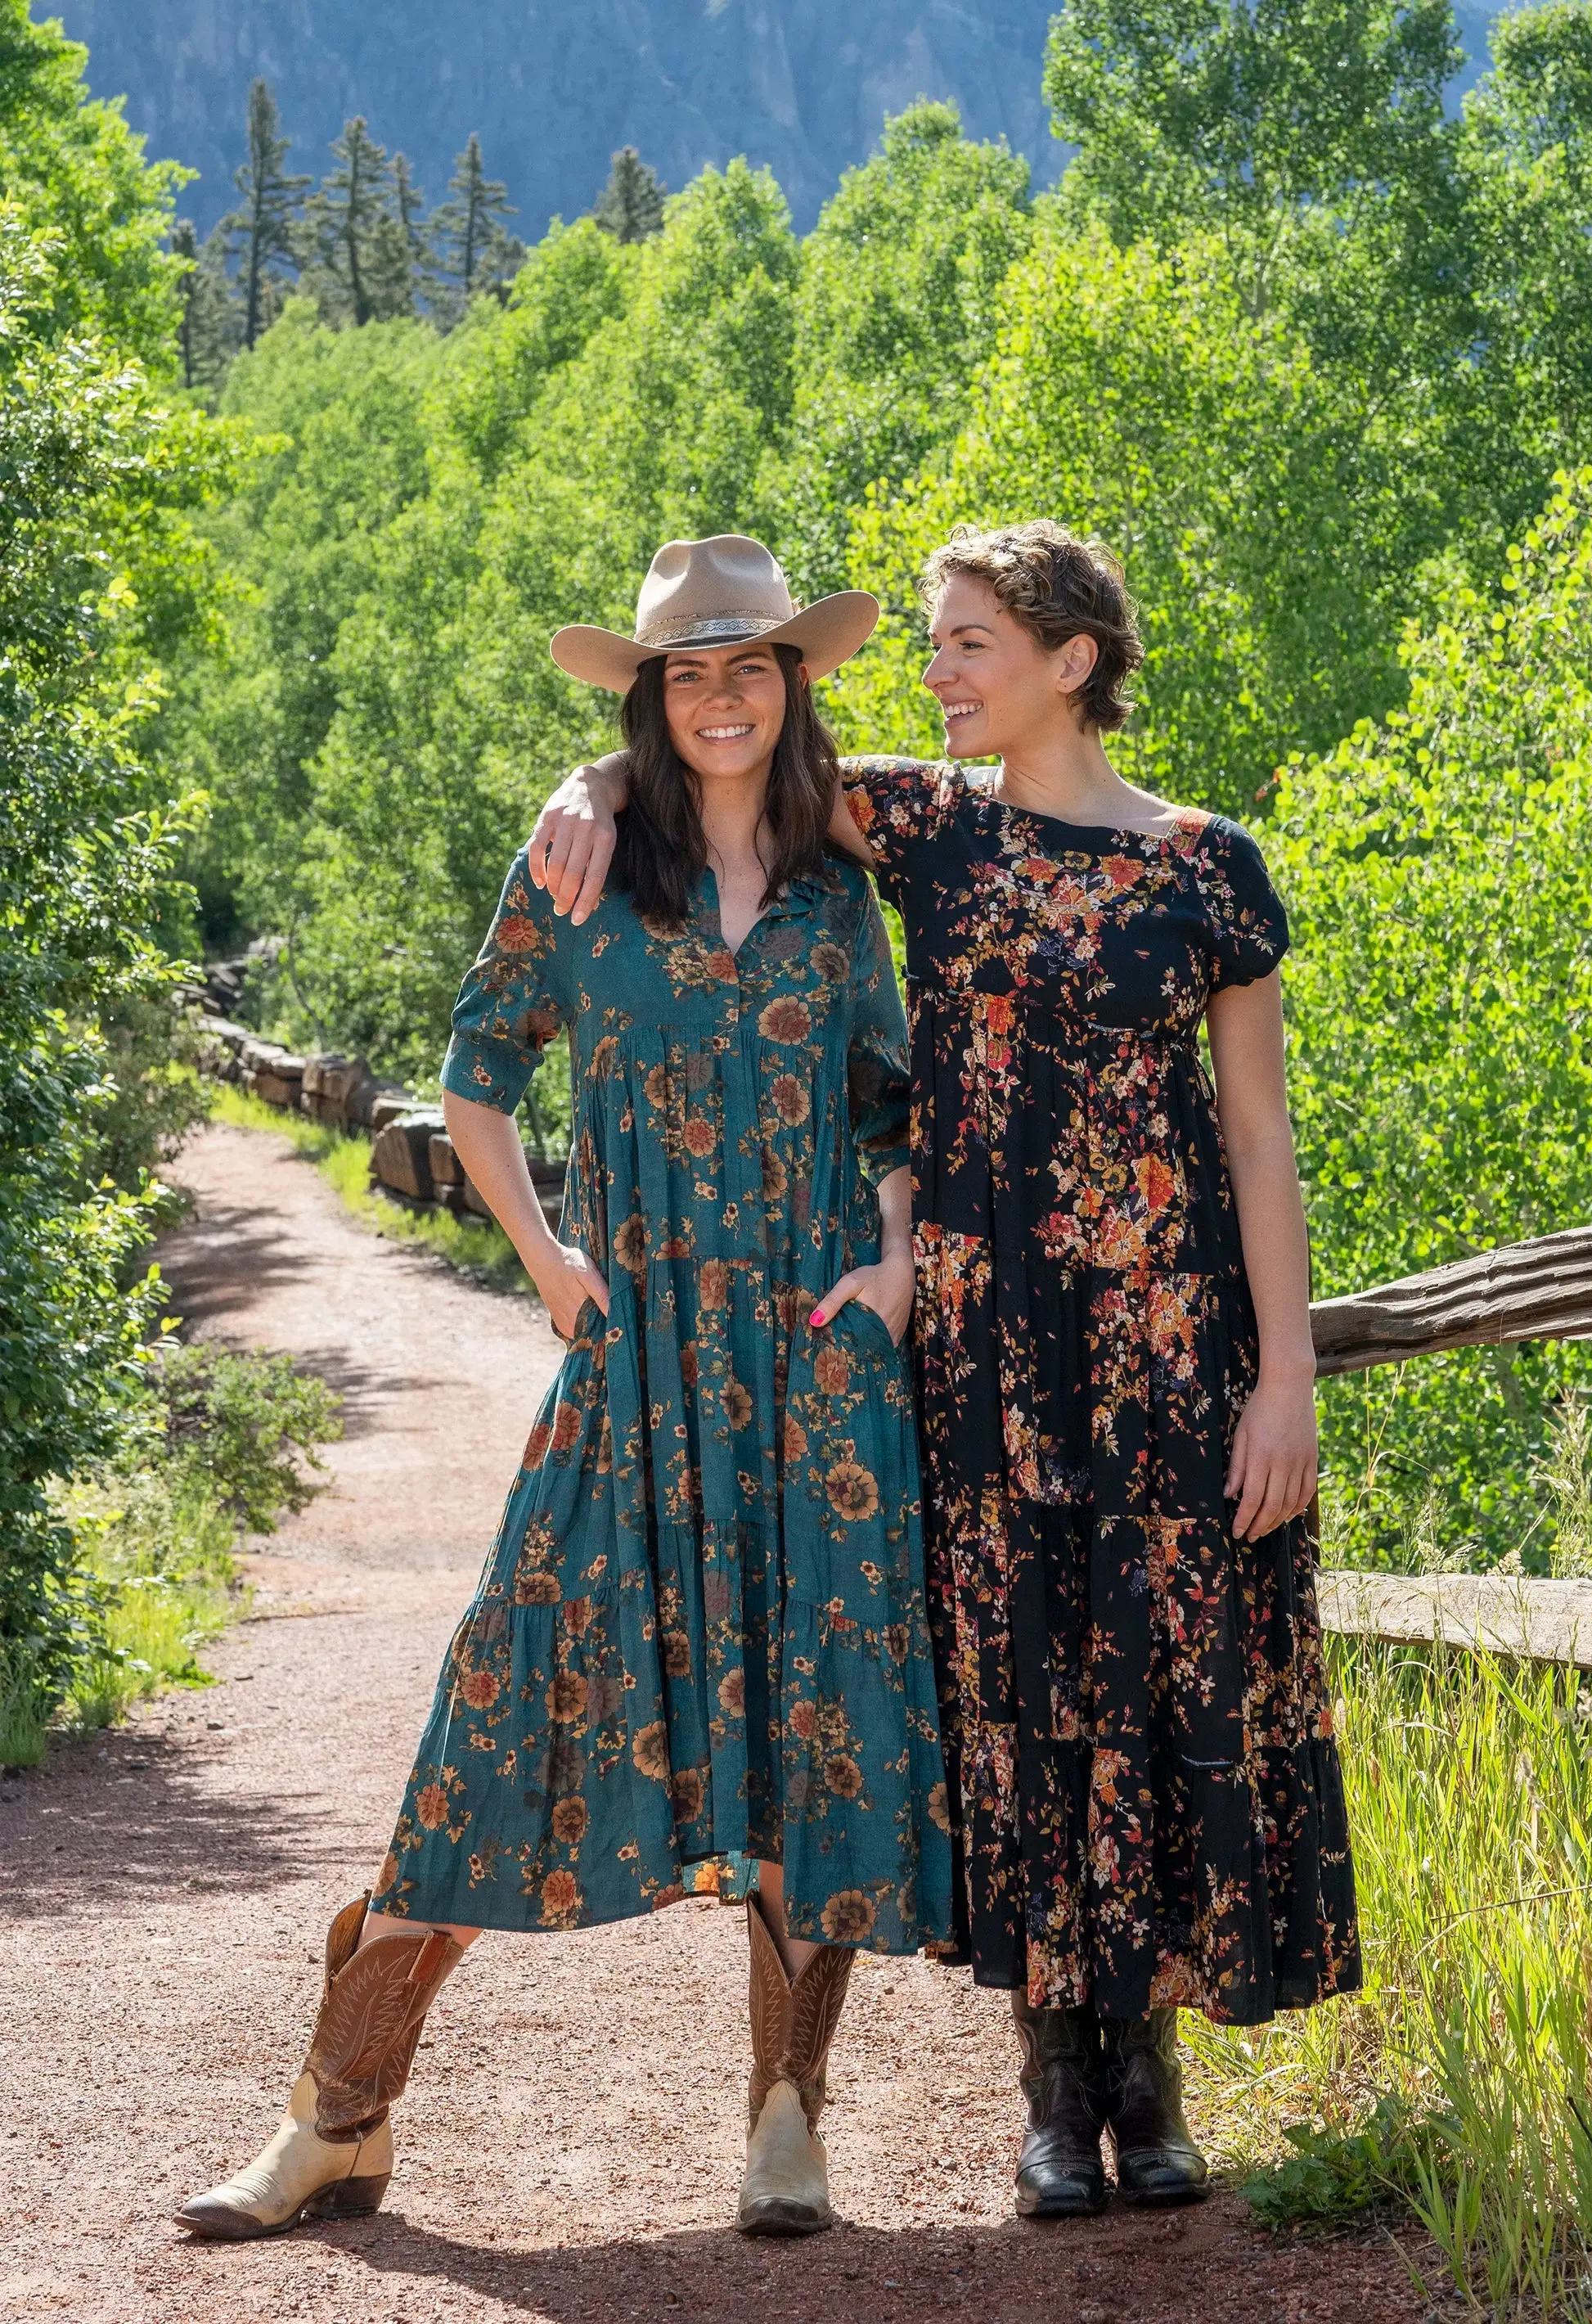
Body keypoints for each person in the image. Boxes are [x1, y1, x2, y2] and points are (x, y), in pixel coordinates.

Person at [525, 520, 1363, 2220]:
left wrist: (1289, 1380)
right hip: (984, 1346)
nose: (940, 672)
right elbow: (718, 749)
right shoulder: (924, 825)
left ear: (1073, 659)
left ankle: (1153, 2073)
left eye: (972, 641)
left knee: (1162, 1673)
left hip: (1171, 1346)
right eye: (932, 643)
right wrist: (589, 788)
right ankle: (1055, 2092)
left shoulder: (1213, 868)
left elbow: (1263, 1144)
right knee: (1028, 1688)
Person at [175, 534, 954, 2245]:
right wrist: (544, 1256)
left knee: (804, 1726)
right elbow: (476, 1073)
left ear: (793, 686)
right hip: (642, 1358)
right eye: (690, 673)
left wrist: (892, 1266)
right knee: (500, 1707)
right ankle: (333, 2117)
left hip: (817, 1367)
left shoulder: (839, 892)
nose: (726, 697)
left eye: (754, 667)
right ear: (651, 699)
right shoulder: (582, 868)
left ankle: (784, 2121)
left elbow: (897, 1102)